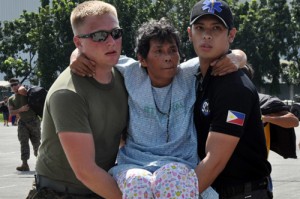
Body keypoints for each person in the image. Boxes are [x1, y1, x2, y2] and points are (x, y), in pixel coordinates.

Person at [71, 17, 247, 198]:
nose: (168, 57)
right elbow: (95, 53)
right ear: (142, 59)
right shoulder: (132, 73)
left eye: (172, 50)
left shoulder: (188, 74)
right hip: (135, 165)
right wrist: (75, 56)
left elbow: (229, 55)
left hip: (180, 166)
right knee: (137, 184)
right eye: (159, 51)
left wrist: (239, 57)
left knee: (172, 178)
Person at [27, 1, 128, 199]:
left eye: (116, 33)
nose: (111, 42)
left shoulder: (125, 77)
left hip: (102, 187)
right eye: (99, 36)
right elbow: (85, 170)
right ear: (78, 43)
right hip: (61, 193)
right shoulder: (68, 93)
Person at [190, 0, 273, 198]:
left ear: (231, 35)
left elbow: (214, 161)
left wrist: (179, 194)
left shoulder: (234, 87)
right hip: (214, 190)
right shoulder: (196, 76)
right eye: (199, 28)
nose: (207, 35)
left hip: (243, 193)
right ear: (189, 33)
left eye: (216, 28)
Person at [242, 64, 299, 158]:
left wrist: (265, 118)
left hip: (255, 163)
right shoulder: (218, 100)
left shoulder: (263, 101)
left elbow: (294, 121)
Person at [8, 78, 41, 172]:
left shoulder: (25, 92)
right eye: (11, 85)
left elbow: (25, 90)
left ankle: (40, 164)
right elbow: (11, 112)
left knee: (36, 143)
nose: (14, 86)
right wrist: (20, 109)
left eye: (15, 84)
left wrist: (21, 87)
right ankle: (25, 164)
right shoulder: (11, 99)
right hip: (22, 122)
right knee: (23, 143)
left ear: (19, 84)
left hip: (33, 121)